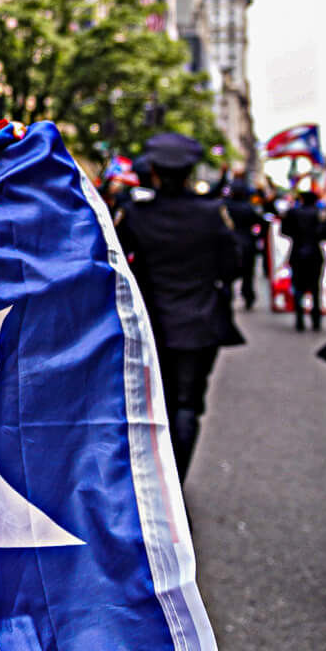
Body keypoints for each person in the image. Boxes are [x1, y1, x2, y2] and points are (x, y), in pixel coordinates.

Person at [114, 132, 245, 481]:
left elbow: (113, 263)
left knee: (156, 403)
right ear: (190, 172)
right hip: (200, 323)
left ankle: (155, 484)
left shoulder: (136, 213)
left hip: (150, 323)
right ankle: (176, 481)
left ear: (153, 170)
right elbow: (233, 266)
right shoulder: (212, 214)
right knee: (189, 405)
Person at [282, 187, 326, 331]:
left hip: (297, 253)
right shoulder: (318, 214)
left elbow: (284, 230)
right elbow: (323, 232)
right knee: (315, 287)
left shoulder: (293, 212)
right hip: (314, 253)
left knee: (298, 286)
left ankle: (299, 318)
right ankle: (316, 318)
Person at [222, 180, 263, 312]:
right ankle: (248, 296)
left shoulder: (225, 206)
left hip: (229, 244)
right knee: (248, 274)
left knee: (227, 276)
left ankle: (228, 297)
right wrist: (256, 236)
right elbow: (260, 223)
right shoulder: (249, 207)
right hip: (247, 243)